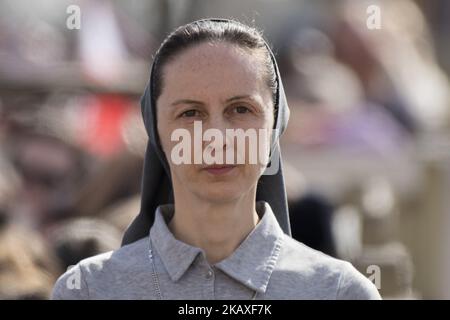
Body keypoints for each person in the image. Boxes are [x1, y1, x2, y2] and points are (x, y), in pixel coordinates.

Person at [52, 18, 381, 300]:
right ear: (157, 131)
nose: (216, 137)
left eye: (241, 110)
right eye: (191, 113)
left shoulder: (340, 292)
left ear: (275, 125)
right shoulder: (89, 290)